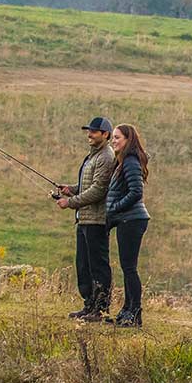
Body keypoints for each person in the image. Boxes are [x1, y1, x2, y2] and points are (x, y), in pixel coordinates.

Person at [56, 117, 117, 321]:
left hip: (97, 221)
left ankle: (99, 309)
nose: (89, 134)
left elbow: (98, 190)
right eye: (89, 131)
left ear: (105, 134)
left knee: (97, 266)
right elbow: (88, 185)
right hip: (84, 219)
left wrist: (70, 202)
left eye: (94, 131)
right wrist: (70, 189)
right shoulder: (93, 156)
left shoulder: (106, 157)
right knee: (83, 265)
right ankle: (89, 305)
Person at [105, 124, 151, 328]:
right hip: (128, 219)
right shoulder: (123, 161)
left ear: (127, 140)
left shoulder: (130, 161)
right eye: (113, 137)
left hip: (132, 220)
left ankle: (134, 312)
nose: (113, 141)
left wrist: (114, 208)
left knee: (130, 268)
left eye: (117, 138)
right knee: (127, 267)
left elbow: (135, 192)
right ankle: (127, 310)